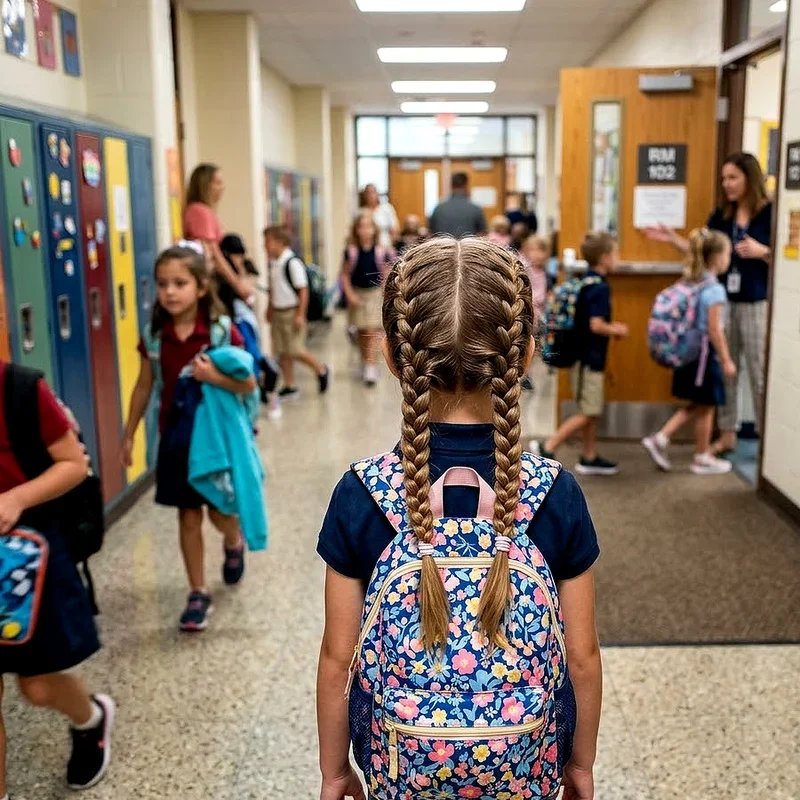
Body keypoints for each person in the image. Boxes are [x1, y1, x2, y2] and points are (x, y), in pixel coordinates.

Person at [316, 237, 602, 800]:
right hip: (526, 770)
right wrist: (580, 765)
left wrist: (334, 771)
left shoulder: (362, 494)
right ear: (523, 356)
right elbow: (582, 656)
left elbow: (336, 659)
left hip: (404, 773)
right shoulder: (555, 494)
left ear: (394, 357)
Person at [121, 245, 256, 632]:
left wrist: (212, 376)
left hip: (213, 439)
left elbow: (247, 383)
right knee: (187, 515)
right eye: (163, 284)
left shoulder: (219, 330)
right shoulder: (154, 335)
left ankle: (233, 540)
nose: (170, 291)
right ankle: (197, 591)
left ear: (200, 287)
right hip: (175, 438)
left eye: (180, 283)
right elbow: (145, 385)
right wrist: (129, 434)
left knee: (217, 509)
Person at [0, 363, 114, 794]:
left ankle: (91, 719)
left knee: (38, 687)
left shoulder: (21, 389)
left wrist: (16, 498)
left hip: (26, 560)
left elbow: (74, 465)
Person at [646, 152, 772, 457]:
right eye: (724, 178)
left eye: (733, 178)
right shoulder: (721, 216)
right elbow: (702, 250)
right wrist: (674, 240)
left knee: (757, 369)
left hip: (754, 301)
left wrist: (763, 251)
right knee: (725, 371)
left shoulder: (770, 214)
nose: (727, 184)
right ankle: (726, 436)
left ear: (749, 178)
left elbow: (786, 255)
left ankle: (766, 443)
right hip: (719, 302)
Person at [532, 232, 629, 475]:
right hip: (590, 359)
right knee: (589, 411)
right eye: (615, 253)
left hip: (580, 357)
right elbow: (596, 324)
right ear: (605, 258)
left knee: (590, 409)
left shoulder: (583, 282)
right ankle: (548, 445)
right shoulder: (600, 289)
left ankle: (589, 455)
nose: (618, 258)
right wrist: (616, 329)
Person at [642, 229, 736, 476]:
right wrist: (726, 359)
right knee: (707, 405)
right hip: (704, 359)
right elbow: (715, 330)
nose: (730, 258)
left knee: (698, 404)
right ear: (716, 258)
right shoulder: (714, 289)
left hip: (688, 355)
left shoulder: (691, 281)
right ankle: (702, 456)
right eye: (728, 253)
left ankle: (661, 438)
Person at [264, 225, 330, 399]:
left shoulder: (292, 262)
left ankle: (320, 369)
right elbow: (273, 288)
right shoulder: (273, 263)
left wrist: (300, 314)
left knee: (295, 349)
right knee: (282, 350)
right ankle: (289, 384)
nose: (265, 246)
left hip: (292, 312)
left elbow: (303, 290)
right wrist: (270, 308)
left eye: (268, 242)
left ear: (279, 242)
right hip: (278, 312)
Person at [183, 163, 251, 303]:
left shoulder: (203, 211)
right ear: (205, 185)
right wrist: (237, 284)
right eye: (217, 182)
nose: (222, 187)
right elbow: (214, 253)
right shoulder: (199, 211)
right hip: (213, 282)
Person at [341, 212, 395, 386]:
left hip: (374, 293)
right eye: (361, 227)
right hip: (358, 293)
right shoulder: (351, 252)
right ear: (356, 230)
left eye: (369, 226)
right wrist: (349, 294)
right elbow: (344, 274)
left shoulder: (380, 251)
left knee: (374, 329)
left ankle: (371, 365)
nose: (365, 230)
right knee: (362, 331)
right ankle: (366, 362)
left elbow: (386, 272)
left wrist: (387, 293)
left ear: (374, 230)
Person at [429, 172, 487, 238]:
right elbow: (482, 234)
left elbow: (431, 233)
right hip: (468, 247)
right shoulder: (476, 209)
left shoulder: (438, 208)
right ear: (466, 186)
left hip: (443, 247)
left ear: (451, 186)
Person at [359, 183, 399, 251]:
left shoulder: (387, 208)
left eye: (372, 192)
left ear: (377, 194)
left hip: (385, 246)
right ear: (364, 196)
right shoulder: (361, 211)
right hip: (367, 248)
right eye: (368, 193)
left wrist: (390, 244)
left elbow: (395, 229)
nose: (370, 196)